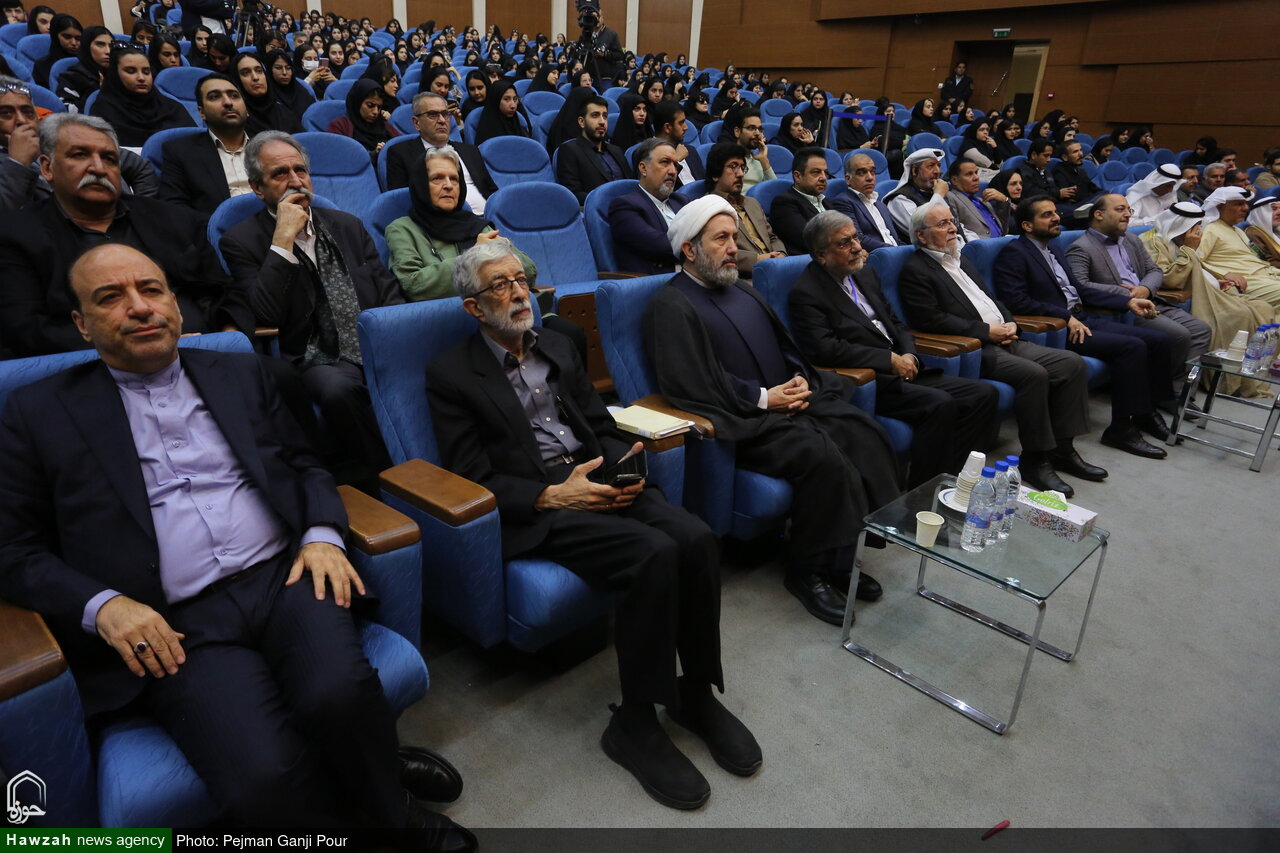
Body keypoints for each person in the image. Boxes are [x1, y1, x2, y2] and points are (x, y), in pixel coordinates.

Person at [0, 241, 473, 843]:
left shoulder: (242, 373)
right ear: (81, 324)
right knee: (262, 777)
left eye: (151, 289)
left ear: (175, 304)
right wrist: (105, 607)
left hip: (284, 577)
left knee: (339, 695)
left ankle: (394, 816)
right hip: (171, 622)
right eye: (110, 297)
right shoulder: (37, 412)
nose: (139, 307)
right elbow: (13, 550)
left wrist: (322, 536)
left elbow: (305, 465)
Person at [428, 237, 759, 810]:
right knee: (653, 553)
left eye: (520, 280)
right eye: (500, 286)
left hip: (596, 477)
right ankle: (634, 722)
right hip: (540, 504)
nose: (517, 293)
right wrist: (553, 495)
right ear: (473, 307)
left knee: (698, 538)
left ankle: (696, 693)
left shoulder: (557, 344)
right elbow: (472, 475)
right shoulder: (451, 373)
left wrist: (622, 464)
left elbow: (597, 423)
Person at [645, 196, 900, 625]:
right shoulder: (671, 305)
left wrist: (798, 378)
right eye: (721, 239)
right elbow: (691, 382)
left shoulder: (742, 290)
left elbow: (787, 347)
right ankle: (807, 571)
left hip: (786, 404)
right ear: (689, 249)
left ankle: (842, 556)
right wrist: (765, 398)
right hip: (744, 420)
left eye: (734, 237)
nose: (733, 248)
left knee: (860, 429)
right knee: (821, 456)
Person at [219, 131, 403, 484]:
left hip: (373, 340)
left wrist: (395, 336)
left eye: (300, 170)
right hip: (314, 354)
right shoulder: (241, 241)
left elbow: (385, 286)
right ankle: (388, 479)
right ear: (258, 188)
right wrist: (283, 239)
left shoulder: (347, 225)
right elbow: (265, 313)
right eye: (280, 174)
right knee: (336, 390)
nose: (295, 181)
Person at [0, 114, 248, 357]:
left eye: (109, 158)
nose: (98, 168)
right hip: (90, 368)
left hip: (203, 355)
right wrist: (142, 346)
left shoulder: (174, 220)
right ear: (47, 167)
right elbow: (25, 329)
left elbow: (225, 291)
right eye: (80, 155)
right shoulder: (16, 236)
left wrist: (228, 338)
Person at [898, 202, 1099, 498]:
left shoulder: (961, 259)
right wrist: (986, 332)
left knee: (1071, 363)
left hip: (1006, 337)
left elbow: (991, 299)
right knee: (1033, 374)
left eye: (952, 221)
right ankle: (1035, 459)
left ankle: (1063, 450)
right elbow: (930, 319)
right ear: (921, 235)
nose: (952, 228)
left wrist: (1010, 322)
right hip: (975, 349)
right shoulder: (916, 270)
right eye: (942, 224)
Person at [789, 210, 999, 487]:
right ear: (820, 255)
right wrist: (887, 360)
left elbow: (896, 323)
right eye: (844, 243)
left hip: (905, 367)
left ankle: (950, 474)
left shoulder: (865, 273)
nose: (857, 247)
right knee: (940, 404)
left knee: (984, 394)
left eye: (855, 237)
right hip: (871, 380)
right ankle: (923, 488)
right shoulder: (806, 292)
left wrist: (908, 353)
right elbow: (825, 349)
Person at [994, 197, 1176, 458]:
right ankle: (1121, 430)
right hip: (1057, 330)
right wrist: (1064, 317)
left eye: (1055, 212)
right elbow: (1015, 300)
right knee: (1132, 347)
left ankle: (1145, 412)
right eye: (1047, 215)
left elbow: (1080, 290)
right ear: (1027, 225)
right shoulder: (1015, 253)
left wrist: (1127, 302)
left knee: (1157, 340)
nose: (1056, 218)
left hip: (1082, 318)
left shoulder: (1053, 248)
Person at [1066, 193, 1211, 398]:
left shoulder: (1131, 240)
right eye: (1120, 210)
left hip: (1151, 299)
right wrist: (1128, 294)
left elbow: (1154, 270)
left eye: (1129, 210)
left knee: (1201, 330)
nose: (1127, 214)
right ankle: (1162, 392)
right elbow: (1081, 285)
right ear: (1098, 214)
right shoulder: (1081, 247)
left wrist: (1145, 288)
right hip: (1122, 309)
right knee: (1179, 335)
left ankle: (1179, 391)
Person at [1141, 202, 1274, 397]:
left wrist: (1217, 279)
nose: (1197, 232)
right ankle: (1223, 382)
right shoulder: (1154, 242)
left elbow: (1198, 266)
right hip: (1182, 295)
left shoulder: (1180, 241)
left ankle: (1245, 377)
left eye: (1198, 227)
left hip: (1203, 289)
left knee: (1263, 308)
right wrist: (1190, 249)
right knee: (1239, 314)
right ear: (1178, 225)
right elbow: (1168, 278)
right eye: (1193, 227)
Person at [386, 145, 534, 301]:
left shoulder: (477, 226)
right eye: (437, 178)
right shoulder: (402, 229)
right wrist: (475, 257)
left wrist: (506, 249)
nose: (449, 185)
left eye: (454, 179)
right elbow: (412, 285)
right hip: (450, 314)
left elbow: (530, 273)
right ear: (420, 184)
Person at [157, 73, 252, 215]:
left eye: (234, 96)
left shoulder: (270, 146)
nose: (228, 102)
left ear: (247, 110)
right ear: (202, 113)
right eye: (214, 97)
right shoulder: (180, 152)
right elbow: (176, 211)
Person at [386, 92, 497, 212]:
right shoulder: (400, 153)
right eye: (433, 115)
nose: (442, 120)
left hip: (489, 217)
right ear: (416, 123)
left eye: (445, 114)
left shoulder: (470, 150)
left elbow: (491, 190)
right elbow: (402, 202)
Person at [704, 142, 785, 278]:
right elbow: (716, 250)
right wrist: (758, 260)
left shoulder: (753, 203)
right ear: (715, 174)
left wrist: (781, 254)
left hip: (775, 268)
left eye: (742, 167)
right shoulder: (708, 207)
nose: (741, 174)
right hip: (741, 277)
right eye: (733, 167)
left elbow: (772, 237)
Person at [88, 44, 195, 148]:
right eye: (131, 71)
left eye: (146, 72)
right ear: (115, 74)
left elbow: (196, 145)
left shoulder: (172, 108)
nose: (141, 78)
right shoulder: (102, 111)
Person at [607, 138, 686, 275]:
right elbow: (661, 247)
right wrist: (705, 246)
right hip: (662, 282)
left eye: (675, 165)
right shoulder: (625, 206)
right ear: (643, 168)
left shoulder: (682, 201)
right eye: (665, 162)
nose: (673, 171)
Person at [1197, 186, 1280, 313]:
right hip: (1249, 281)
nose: (1246, 208)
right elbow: (1195, 261)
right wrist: (1225, 274)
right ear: (1220, 206)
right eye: (1239, 204)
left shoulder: (1237, 230)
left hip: (1268, 275)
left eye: (1246, 204)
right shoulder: (1209, 229)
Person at [555, 93, 630, 204]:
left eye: (605, 116)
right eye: (595, 115)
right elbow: (572, 193)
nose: (602, 122)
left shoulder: (616, 151)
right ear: (581, 122)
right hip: (597, 209)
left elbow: (630, 184)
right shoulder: (569, 150)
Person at [828, 152, 907, 252]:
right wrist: (895, 251)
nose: (870, 178)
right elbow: (857, 238)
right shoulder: (843, 202)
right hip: (875, 256)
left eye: (873, 172)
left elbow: (896, 239)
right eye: (862, 173)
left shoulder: (881, 205)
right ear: (848, 179)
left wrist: (907, 250)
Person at [769, 146, 830, 255]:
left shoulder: (827, 202)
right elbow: (811, 241)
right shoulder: (784, 203)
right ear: (797, 176)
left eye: (825, 173)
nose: (823, 178)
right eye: (816, 172)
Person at [326, 78, 401, 163]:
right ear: (357, 103)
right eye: (370, 105)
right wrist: (372, 155)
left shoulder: (385, 126)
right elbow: (338, 158)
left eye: (379, 107)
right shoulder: (339, 126)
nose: (376, 112)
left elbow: (404, 145)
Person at [944, 158, 1009, 242]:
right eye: (969, 174)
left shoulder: (982, 200)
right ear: (954, 180)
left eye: (976, 173)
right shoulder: (950, 197)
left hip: (1002, 241)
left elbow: (1004, 230)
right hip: (982, 246)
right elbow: (957, 231)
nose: (976, 178)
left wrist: (1004, 201)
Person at [885, 147, 947, 234]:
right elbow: (926, 232)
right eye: (931, 166)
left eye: (939, 166)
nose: (938, 171)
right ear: (914, 171)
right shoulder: (900, 199)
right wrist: (938, 196)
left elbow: (958, 225)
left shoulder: (936, 192)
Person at [55, 25, 111, 113]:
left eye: (111, 46)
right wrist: (99, 94)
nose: (108, 51)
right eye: (100, 45)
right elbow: (67, 113)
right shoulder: (71, 77)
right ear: (87, 46)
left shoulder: (120, 74)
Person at [652, 99, 702, 190]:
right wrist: (676, 160)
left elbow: (704, 185)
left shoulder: (690, 151)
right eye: (681, 123)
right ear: (667, 127)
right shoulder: (648, 155)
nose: (686, 127)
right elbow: (660, 191)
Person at [1048, 140, 1103, 221]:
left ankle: (1091, 208)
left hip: (1086, 202)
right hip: (1072, 207)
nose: (1081, 154)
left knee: (1105, 194)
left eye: (1081, 150)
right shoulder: (1058, 172)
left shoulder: (1081, 171)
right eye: (1075, 152)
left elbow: (1094, 189)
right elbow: (1071, 197)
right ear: (1065, 157)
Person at [728, 107, 775, 192]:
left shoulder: (759, 160)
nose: (757, 133)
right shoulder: (728, 161)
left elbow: (774, 190)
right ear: (737, 131)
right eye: (751, 128)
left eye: (759, 129)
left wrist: (764, 160)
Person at [474, 78, 531, 145]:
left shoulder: (518, 124)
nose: (513, 106)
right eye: (506, 99)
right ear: (496, 101)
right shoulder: (486, 131)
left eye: (515, 99)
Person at [1125, 162, 1182, 227]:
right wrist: (1156, 219)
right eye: (1168, 186)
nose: (1170, 190)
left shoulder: (1171, 194)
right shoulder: (1137, 196)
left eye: (1173, 186)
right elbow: (1128, 223)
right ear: (1158, 182)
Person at [32, 11, 79, 89]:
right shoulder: (42, 65)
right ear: (55, 37)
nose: (74, 43)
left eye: (78, 38)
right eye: (67, 37)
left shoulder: (88, 61)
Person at [267, 48, 314, 122]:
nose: (284, 72)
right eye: (278, 68)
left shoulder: (300, 90)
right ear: (269, 70)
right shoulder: (266, 94)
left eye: (288, 68)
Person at [1245, 196, 1280, 267]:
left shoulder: (1276, 230)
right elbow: (1265, 262)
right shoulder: (1252, 234)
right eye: (1274, 209)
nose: (1279, 212)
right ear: (1260, 214)